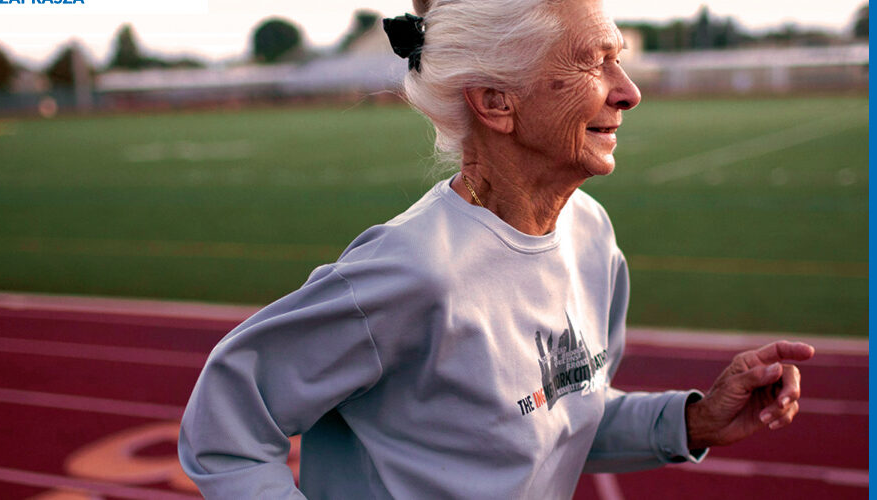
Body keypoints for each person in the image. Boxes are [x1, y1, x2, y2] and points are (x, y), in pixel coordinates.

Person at [178, 0, 815, 497]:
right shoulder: (413, 272)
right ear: (495, 103)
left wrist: (696, 422)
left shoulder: (592, 237)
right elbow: (225, 425)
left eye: (618, 59)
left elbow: (561, 417)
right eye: (592, 62)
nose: (628, 90)